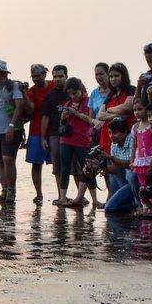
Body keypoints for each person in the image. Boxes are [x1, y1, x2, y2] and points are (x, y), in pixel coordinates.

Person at [0, 59, 25, 202]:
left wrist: (12, 125)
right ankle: (4, 191)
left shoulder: (13, 86)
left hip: (11, 129)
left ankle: (12, 191)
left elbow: (19, 106)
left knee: (8, 160)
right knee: (0, 161)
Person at [56, 78, 95, 208]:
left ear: (81, 90)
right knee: (64, 169)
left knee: (87, 169)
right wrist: (63, 117)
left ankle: (94, 199)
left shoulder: (88, 101)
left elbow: (91, 120)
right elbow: (62, 123)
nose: (72, 96)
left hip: (83, 140)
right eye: (70, 94)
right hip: (66, 140)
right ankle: (62, 197)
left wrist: (77, 114)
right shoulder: (67, 103)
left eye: (75, 93)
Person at [23, 64, 54, 205]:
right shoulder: (31, 91)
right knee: (36, 164)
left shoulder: (54, 85)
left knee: (58, 164)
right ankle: (39, 194)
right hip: (36, 129)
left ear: (44, 75)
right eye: (33, 77)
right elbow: (30, 110)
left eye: (38, 76)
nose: (36, 79)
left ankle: (61, 194)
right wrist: (23, 93)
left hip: (54, 129)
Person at [94, 117, 138, 214]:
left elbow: (131, 165)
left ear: (125, 132)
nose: (111, 136)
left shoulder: (132, 140)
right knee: (111, 165)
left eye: (114, 133)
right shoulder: (114, 144)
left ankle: (136, 204)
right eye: (109, 133)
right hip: (123, 179)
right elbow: (114, 169)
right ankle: (129, 203)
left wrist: (110, 158)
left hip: (134, 182)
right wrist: (99, 166)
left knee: (110, 208)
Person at [40, 65, 71, 201]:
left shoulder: (72, 91)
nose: (58, 79)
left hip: (73, 133)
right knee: (57, 165)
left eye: (60, 76)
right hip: (54, 134)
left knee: (76, 165)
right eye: (55, 77)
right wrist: (42, 138)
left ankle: (80, 197)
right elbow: (45, 117)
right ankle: (61, 196)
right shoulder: (50, 95)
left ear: (66, 76)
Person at [97, 63, 137, 157]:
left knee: (126, 164)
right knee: (110, 164)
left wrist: (109, 109)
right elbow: (100, 115)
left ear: (123, 76)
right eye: (111, 76)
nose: (113, 79)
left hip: (126, 133)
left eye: (116, 76)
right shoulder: (110, 94)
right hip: (109, 134)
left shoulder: (131, 89)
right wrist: (117, 115)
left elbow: (127, 107)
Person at [129, 101, 152, 214]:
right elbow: (134, 146)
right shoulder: (135, 127)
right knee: (142, 185)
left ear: (147, 109)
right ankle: (145, 206)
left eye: (140, 109)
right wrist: (132, 161)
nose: (137, 112)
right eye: (135, 110)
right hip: (140, 161)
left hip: (151, 160)